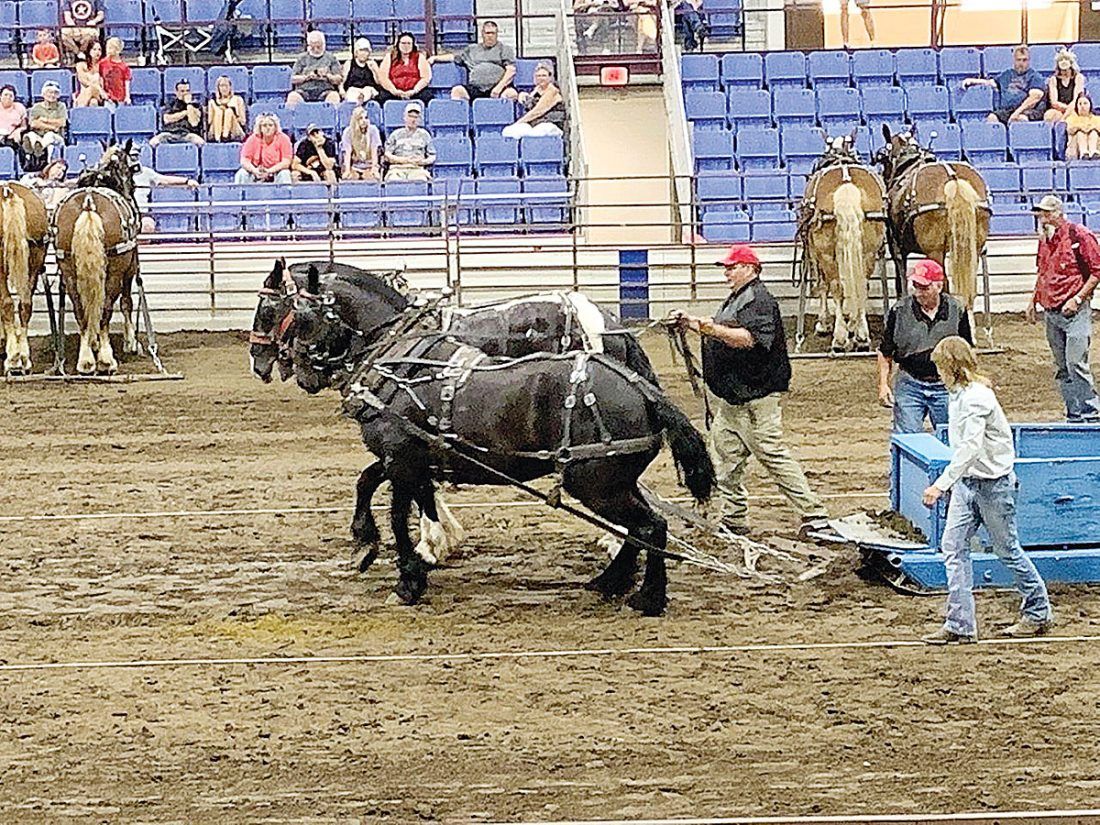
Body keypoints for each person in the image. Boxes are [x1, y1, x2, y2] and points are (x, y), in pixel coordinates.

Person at [674, 244, 829, 536]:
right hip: (734, 399)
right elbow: (725, 329)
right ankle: (734, 517)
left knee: (771, 456)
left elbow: (747, 339)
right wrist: (691, 323)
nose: (727, 274)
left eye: (732, 268)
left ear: (750, 268)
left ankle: (815, 514)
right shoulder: (739, 299)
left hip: (756, 399)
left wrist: (707, 329)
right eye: (727, 268)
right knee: (725, 458)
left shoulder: (759, 300)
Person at [920, 336, 1054, 644]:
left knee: (1007, 550)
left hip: (993, 487)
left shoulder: (976, 398)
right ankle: (960, 624)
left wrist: (940, 486)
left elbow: (970, 449)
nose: (937, 373)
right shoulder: (958, 395)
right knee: (952, 548)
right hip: (969, 486)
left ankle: (1038, 611)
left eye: (940, 367)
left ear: (950, 368)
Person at [877, 260, 973, 434]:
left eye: (924, 288)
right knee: (908, 438)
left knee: (952, 436)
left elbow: (966, 352)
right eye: (915, 286)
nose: (918, 293)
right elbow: (885, 352)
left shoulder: (957, 310)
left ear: (939, 286)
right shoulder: (899, 311)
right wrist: (883, 384)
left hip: (946, 385)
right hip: (910, 383)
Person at [1028, 195, 1100, 422]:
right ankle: (1074, 413)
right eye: (1041, 214)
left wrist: (1078, 298)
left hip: (1074, 310)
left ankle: (1091, 411)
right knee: (1062, 366)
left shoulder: (1080, 236)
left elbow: (1097, 271)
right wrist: (1034, 299)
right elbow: (1043, 272)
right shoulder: (1045, 241)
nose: (1043, 219)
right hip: (1052, 310)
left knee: (1075, 362)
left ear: (1058, 214)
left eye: (1047, 214)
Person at [961, 44, 1046, 124]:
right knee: (992, 117)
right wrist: (972, 81)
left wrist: (1016, 113)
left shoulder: (1035, 76)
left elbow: (1034, 98)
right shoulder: (1007, 74)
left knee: (1020, 120)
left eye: (1024, 60)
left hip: (1026, 111)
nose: (1021, 63)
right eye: (1018, 60)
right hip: (1007, 110)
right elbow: (991, 83)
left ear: (1029, 61)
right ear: (1014, 60)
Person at [433, 20, 517, 101]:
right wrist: (435, 58)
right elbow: (453, 57)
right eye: (487, 33)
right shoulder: (472, 49)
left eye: (493, 33)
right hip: (476, 88)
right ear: (482, 34)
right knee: (457, 91)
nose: (490, 36)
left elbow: (511, 71)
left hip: (498, 87)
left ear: (497, 34)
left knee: (511, 94)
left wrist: (498, 88)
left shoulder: (504, 49)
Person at [502, 62, 564, 139]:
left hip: (550, 124)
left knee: (534, 133)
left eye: (544, 76)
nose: (540, 78)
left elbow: (537, 111)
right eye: (538, 76)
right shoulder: (536, 90)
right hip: (535, 124)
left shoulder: (552, 91)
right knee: (508, 131)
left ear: (550, 77)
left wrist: (518, 123)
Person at [133, 164, 200, 233]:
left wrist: (186, 181)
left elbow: (164, 180)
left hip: (141, 213)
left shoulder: (145, 172)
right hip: (124, 213)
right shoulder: (121, 175)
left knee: (147, 225)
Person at [287, 31, 343, 106]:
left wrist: (327, 75)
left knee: (334, 97)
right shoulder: (302, 58)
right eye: (313, 48)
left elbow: (338, 79)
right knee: (292, 97)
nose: (316, 50)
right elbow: (293, 79)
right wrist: (307, 77)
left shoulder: (331, 58)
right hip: (304, 90)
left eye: (318, 47)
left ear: (323, 45)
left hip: (325, 90)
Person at [383, 101, 435, 182]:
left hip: (417, 169)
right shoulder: (395, 134)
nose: (413, 120)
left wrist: (422, 161)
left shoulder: (425, 135)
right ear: (404, 117)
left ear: (420, 119)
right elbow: (387, 154)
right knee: (393, 180)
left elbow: (432, 156)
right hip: (397, 169)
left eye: (416, 117)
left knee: (420, 180)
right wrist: (402, 160)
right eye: (410, 116)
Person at [235, 112, 294, 184]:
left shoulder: (284, 139)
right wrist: (255, 170)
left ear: (275, 127)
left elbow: (286, 162)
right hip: (256, 172)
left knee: (285, 173)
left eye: (270, 125)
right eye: (264, 125)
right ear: (260, 128)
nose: (268, 128)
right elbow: (244, 160)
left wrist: (269, 171)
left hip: (276, 172)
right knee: (241, 173)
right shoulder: (252, 139)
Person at [377, 31, 433, 106]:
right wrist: (394, 91)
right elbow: (383, 78)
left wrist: (414, 91)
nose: (406, 46)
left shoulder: (420, 57)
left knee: (427, 97)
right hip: (394, 91)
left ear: (413, 45)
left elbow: (425, 78)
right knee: (381, 98)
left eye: (409, 43)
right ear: (398, 44)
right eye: (403, 43)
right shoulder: (389, 57)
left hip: (415, 91)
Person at [22, 82, 68, 167]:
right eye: (50, 92)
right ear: (43, 94)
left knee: (49, 135)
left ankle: (39, 149)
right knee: (30, 135)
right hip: (39, 135)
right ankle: (31, 157)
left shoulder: (61, 106)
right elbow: (34, 124)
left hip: (57, 137)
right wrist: (52, 126)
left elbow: (62, 122)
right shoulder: (36, 107)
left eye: (55, 93)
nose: (52, 95)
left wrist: (44, 120)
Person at [150, 79, 205, 147]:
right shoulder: (171, 103)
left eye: (187, 91)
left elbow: (194, 123)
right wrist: (185, 113)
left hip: (188, 134)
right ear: (176, 92)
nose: (185, 93)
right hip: (170, 133)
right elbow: (167, 119)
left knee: (200, 142)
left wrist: (189, 104)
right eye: (182, 91)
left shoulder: (196, 105)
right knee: (153, 142)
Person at [1045, 49, 1086, 123]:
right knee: (1049, 115)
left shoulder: (1078, 77)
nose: (1064, 62)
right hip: (1059, 110)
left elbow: (1076, 100)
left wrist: (1067, 114)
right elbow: (1054, 102)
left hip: (1075, 109)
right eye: (1061, 60)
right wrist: (1067, 109)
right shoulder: (1053, 79)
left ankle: (1062, 122)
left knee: (1072, 117)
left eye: (1066, 59)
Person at [341, 105, 382, 180]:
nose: (364, 121)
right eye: (360, 118)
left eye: (366, 118)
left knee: (371, 177)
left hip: (369, 165)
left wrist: (374, 168)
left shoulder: (373, 130)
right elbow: (347, 153)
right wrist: (347, 170)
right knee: (350, 177)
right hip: (354, 166)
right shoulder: (348, 132)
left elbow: (374, 151)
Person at [207, 75, 246, 143]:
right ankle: (218, 138)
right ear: (218, 88)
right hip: (216, 128)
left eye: (226, 86)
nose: (224, 88)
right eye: (221, 86)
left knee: (229, 111)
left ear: (230, 87)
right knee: (219, 112)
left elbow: (243, 121)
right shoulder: (212, 102)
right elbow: (209, 121)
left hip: (234, 129)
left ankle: (225, 136)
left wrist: (234, 114)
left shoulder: (238, 100)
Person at [343, 38, 381, 104]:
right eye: (361, 50)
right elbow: (342, 81)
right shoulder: (349, 64)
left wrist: (373, 70)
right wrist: (342, 91)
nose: (363, 53)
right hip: (353, 90)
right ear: (356, 52)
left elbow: (379, 82)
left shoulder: (372, 64)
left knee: (368, 90)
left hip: (368, 91)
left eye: (366, 51)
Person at [98, 37, 132, 108]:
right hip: (108, 98)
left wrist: (127, 97)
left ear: (117, 50)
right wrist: (103, 92)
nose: (108, 50)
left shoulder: (124, 67)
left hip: (120, 98)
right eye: (107, 47)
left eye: (111, 48)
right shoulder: (102, 63)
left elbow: (127, 83)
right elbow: (100, 79)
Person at [1064, 94, 1100, 160]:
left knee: (1093, 133)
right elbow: (1070, 129)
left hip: (1096, 145)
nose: (1082, 106)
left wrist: (1090, 128)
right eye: (1080, 104)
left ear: (1090, 105)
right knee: (1080, 133)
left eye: (1085, 103)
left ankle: (1093, 152)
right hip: (1074, 150)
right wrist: (1083, 128)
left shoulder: (1097, 119)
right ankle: (1083, 153)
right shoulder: (1071, 118)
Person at [74, 41, 107, 108]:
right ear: (89, 51)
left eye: (99, 50)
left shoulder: (102, 66)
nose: (97, 52)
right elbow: (83, 81)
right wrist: (97, 88)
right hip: (84, 93)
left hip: (99, 95)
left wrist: (99, 89)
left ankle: (79, 110)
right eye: (94, 49)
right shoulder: (81, 65)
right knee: (93, 102)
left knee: (92, 89)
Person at [0, 85, 28, 154]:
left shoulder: (19, 107)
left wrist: (18, 131)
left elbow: (24, 126)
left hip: (11, 136)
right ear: (0, 96)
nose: (8, 97)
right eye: (5, 95)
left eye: (11, 96)